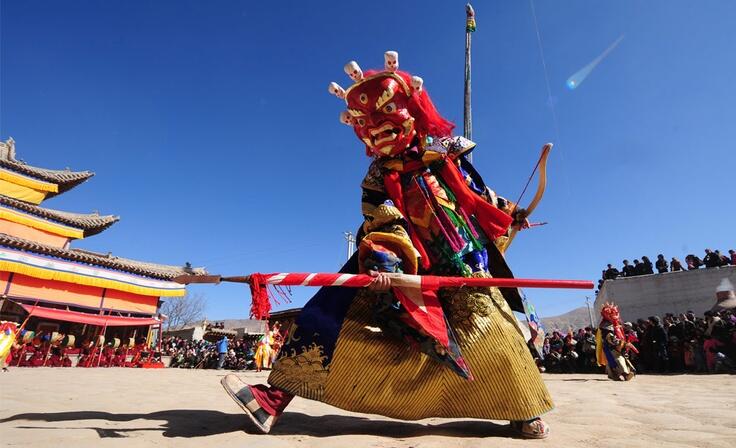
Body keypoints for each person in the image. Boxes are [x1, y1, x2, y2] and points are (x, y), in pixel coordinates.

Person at [221, 51, 553, 439]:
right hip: (394, 263)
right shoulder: (378, 175)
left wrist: (512, 212)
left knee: (492, 330)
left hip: (458, 261)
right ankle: (272, 400)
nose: (378, 132)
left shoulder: (447, 152)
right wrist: (387, 263)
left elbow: (477, 192)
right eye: (368, 126)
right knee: (327, 317)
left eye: (386, 118)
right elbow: (382, 216)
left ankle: (522, 410)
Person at [596, 302, 635, 381]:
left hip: (617, 345)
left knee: (619, 359)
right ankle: (625, 374)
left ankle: (616, 375)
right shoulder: (605, 325)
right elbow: (609, 337)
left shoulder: (614, 323)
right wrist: (619, 343)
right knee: (618, 359)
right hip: (611, 346)